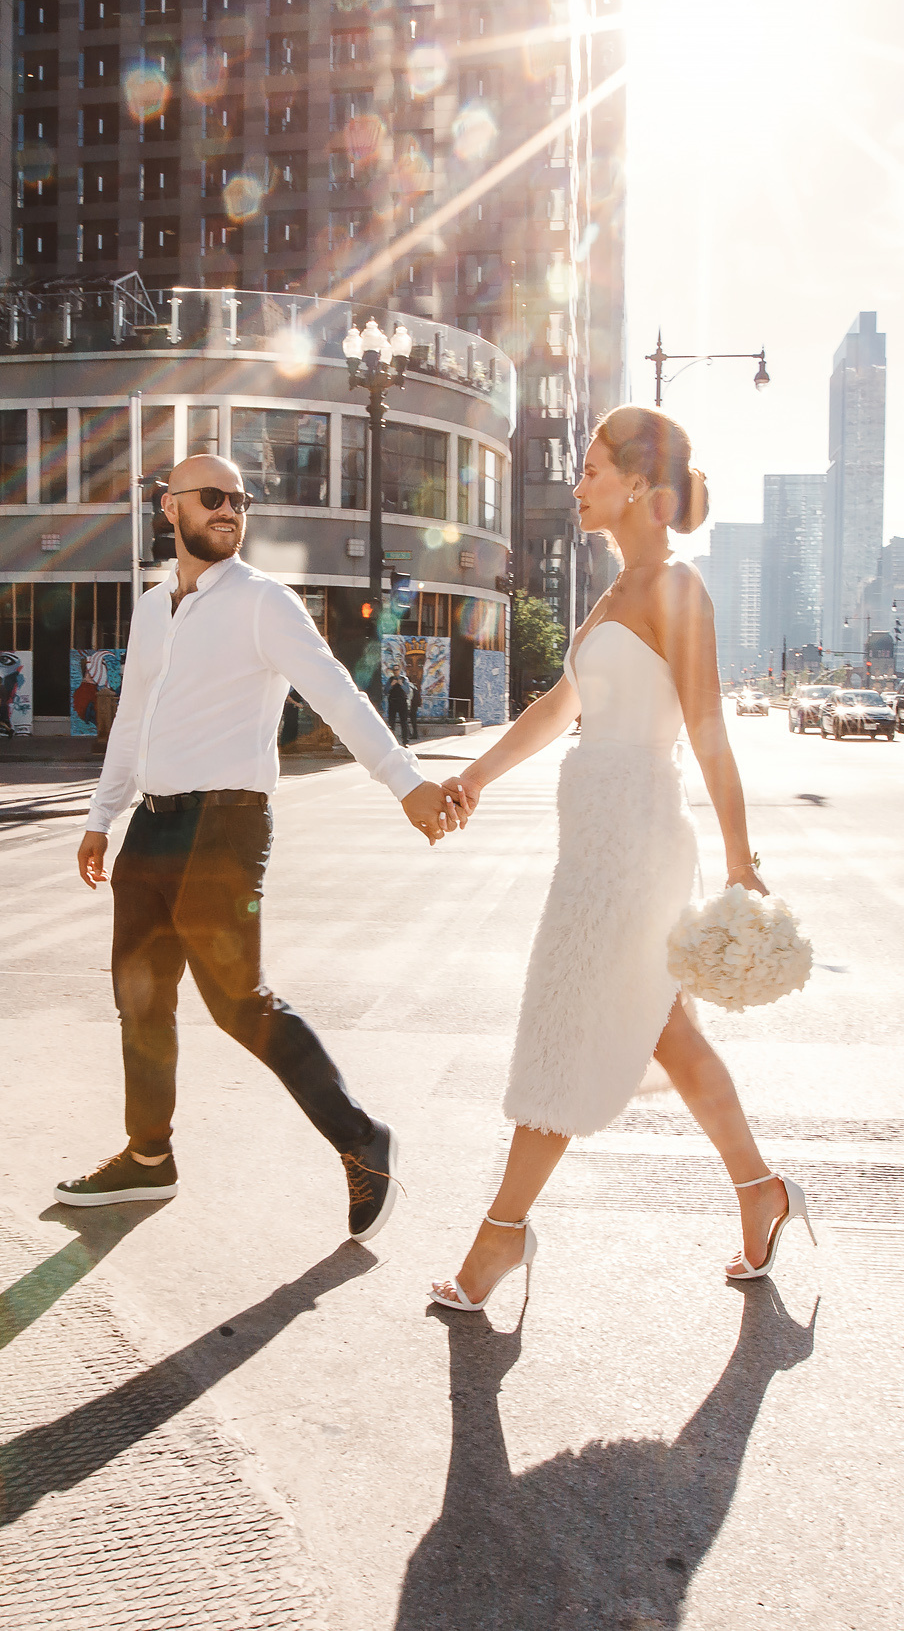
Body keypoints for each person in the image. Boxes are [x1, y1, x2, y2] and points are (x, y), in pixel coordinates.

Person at [428, 406, 795, 1314]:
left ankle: (498, 1238)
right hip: (594, 836)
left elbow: (708, 728)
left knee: (563, 1022)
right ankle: (761, 1190)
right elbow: (562, 704)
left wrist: (743, 858)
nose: (578, 483)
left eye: (591, 468)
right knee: (663, 1028)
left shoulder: (676, 589)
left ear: (636, 482)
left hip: (632, 845)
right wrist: (472, 775)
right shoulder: (614, 592)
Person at [57, 453, 460, 1241]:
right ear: (168, 509)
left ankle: (361, 1139)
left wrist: (405, 780)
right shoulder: (150, 609)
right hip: (154, 822)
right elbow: (133, 720)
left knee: (239, 1002)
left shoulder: (262, 602)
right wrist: (103, 815)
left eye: (239, 500)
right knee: (139, 997)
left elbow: (335, 689)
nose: (229, 511)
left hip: (227, 825)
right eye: (211, 498)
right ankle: (148, 1157)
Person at [387, 667, 417, 744]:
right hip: (393, 702)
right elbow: (385, 691)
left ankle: (405, 741)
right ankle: (391, 742)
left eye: (397, 670)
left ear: (399, 671)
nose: (395, 672)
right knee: (391, 722)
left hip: (402, 703)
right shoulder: (390, 680)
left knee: (404, 722)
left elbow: (407, 691)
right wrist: (391, 685)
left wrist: (401, 684)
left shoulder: (404, 679)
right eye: (394, 670)